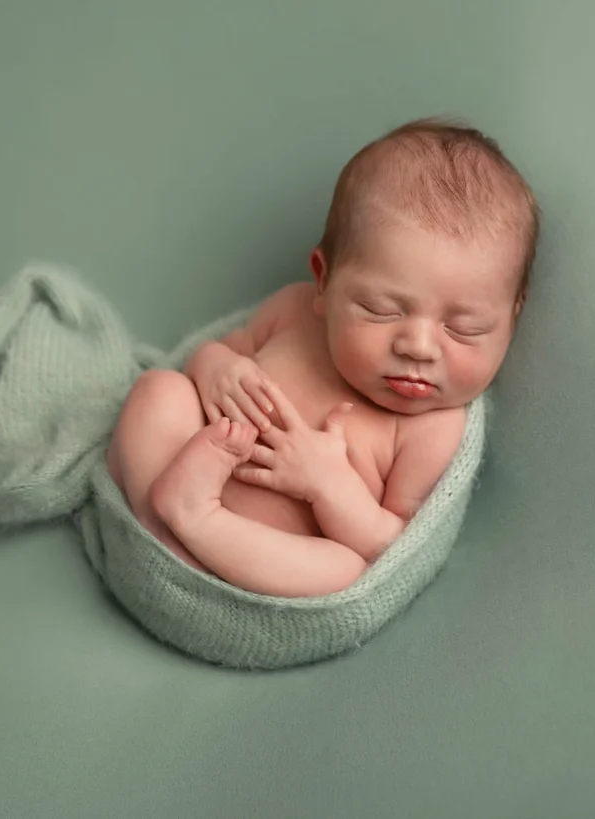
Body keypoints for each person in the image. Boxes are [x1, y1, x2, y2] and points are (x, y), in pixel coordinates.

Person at [105, 117, 539, 598]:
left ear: (512, 317)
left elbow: (394, 545)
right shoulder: (293, 315)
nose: (417, 346)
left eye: (463, 328)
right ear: (324, 282)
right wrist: (219, 369)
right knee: (159, 390)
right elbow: (211, 356)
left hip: (266, 553)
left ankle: (195, 526)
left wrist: (329, 486)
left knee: (342, 571)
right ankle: (156, 524)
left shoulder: (433, 429)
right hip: (184, 472)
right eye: (379, 310)